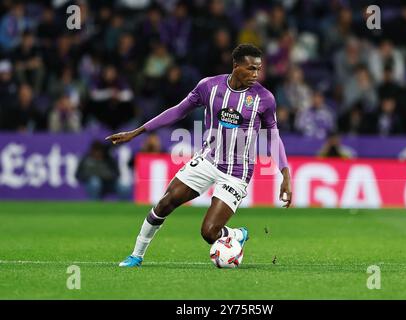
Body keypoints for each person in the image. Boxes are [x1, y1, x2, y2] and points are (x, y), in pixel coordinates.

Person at [105, 44, 292, 267]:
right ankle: (136, 255)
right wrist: (137, 131)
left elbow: (273, 137)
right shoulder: (209, 86)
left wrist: (285, 173)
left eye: (258, 70)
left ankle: (235, 234)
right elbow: (177, 110)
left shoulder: (264, 98)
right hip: (207, 160)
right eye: (250, 68)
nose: (255, 74)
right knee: (164, 204)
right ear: (236, 66)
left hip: (237, 172)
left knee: (210, 233)